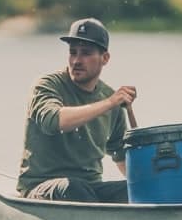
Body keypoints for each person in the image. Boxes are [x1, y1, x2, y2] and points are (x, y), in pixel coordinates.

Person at [17, 17, 138, 202]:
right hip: (43, 187)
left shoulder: (110, 98)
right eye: (73, 52)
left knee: (132, 190)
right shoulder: (46, 85)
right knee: (74, 188)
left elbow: (121, 157)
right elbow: (54, 122)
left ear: (105, 58)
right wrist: (109, 103)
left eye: (86, 53)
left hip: (91, 189)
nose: (76, 60)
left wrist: (146, 186)